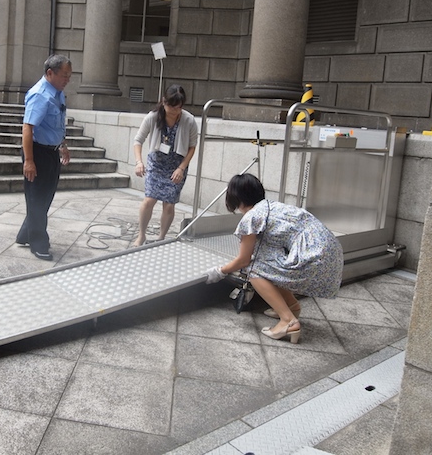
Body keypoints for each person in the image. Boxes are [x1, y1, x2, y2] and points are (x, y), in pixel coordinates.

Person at [204, 173, 343, 343]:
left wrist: (220, 271)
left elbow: (244, 260)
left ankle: (288, 321)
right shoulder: (271, 206)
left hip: (314, 258)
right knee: (269, 263)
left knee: (253, 269)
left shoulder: (252, 216)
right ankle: (291, 306)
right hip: (331, 254)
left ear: (235, 197)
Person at [15, 54, 72, 260]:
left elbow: (58, 123)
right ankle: (39, 243)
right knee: (38, 198)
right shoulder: (40, 94)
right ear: (50, 73)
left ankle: (25, 234)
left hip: (51, 151)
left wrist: (62, 145)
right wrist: (29, 161)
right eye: (64, 76)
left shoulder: (57, 93)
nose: (67, 80)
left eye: (69, 76)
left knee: (44, 196)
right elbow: (28, 128)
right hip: (37, 152)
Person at [132, 85, 198, 247]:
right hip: (157, 162)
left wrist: (181, 168)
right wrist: (139, 162)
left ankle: (161, 238)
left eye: (178, 107)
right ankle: (141, 235)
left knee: (169, 204)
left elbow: (192, 147)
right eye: (171, 106)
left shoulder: (189, 120)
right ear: (164, 102)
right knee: (149, 200)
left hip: (177, 164)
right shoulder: (153, 117)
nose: (174, 111)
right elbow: (138, 141)